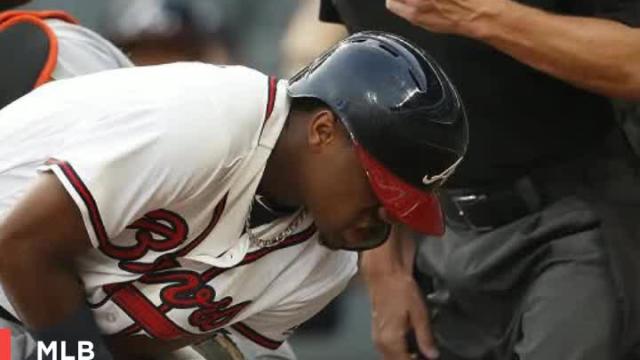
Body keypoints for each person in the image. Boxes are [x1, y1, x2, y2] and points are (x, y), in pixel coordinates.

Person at [0, 31, 468, 359]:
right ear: (324, 131)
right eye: (381, 187)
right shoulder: (207, 122)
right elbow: (23, 247)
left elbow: (140, 345)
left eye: (405, 204)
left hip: (52, 328)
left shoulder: (324, 266)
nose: (388, 215)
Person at [319, 1, 640, 359]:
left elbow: (633, 63)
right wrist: (384, 265)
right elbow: (369, 77)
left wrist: (477, 13)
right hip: (443, 238)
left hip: (575, 218)